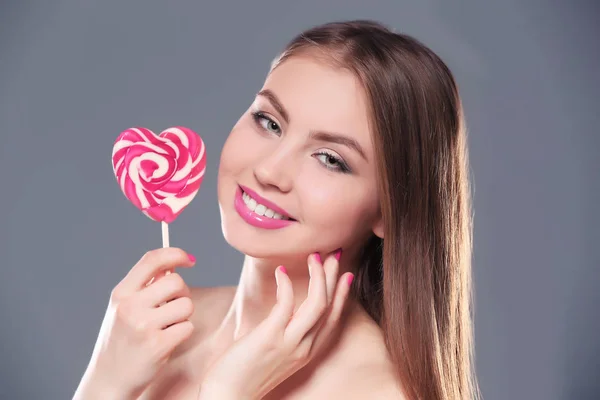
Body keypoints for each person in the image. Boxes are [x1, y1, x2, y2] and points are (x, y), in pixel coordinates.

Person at [74, 19, 479, 400]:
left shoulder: (377, 391)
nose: (270, 171)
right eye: (269, 122)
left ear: (389, 211)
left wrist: (226, 392)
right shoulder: (156, 326)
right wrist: (105, 380)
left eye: (330, 158)